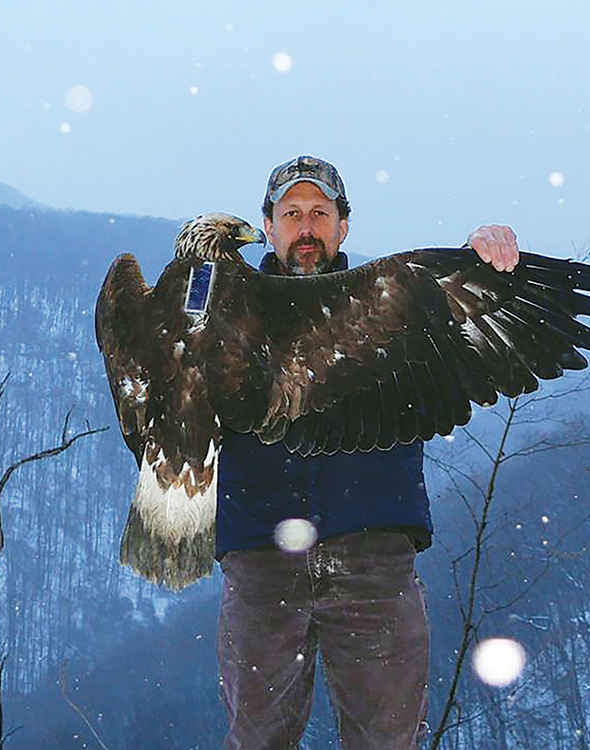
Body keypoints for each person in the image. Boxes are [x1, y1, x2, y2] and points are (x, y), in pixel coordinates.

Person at [215, 155, 519, 750]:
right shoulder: (223, 316)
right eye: (292, 214)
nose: (306, 228)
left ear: (343, 226)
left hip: (373, 554)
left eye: (320, 214)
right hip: (260, 560)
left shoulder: (394, 308)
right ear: (269, 226)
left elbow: (462, 314)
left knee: (387, 742)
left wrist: (485, 261)